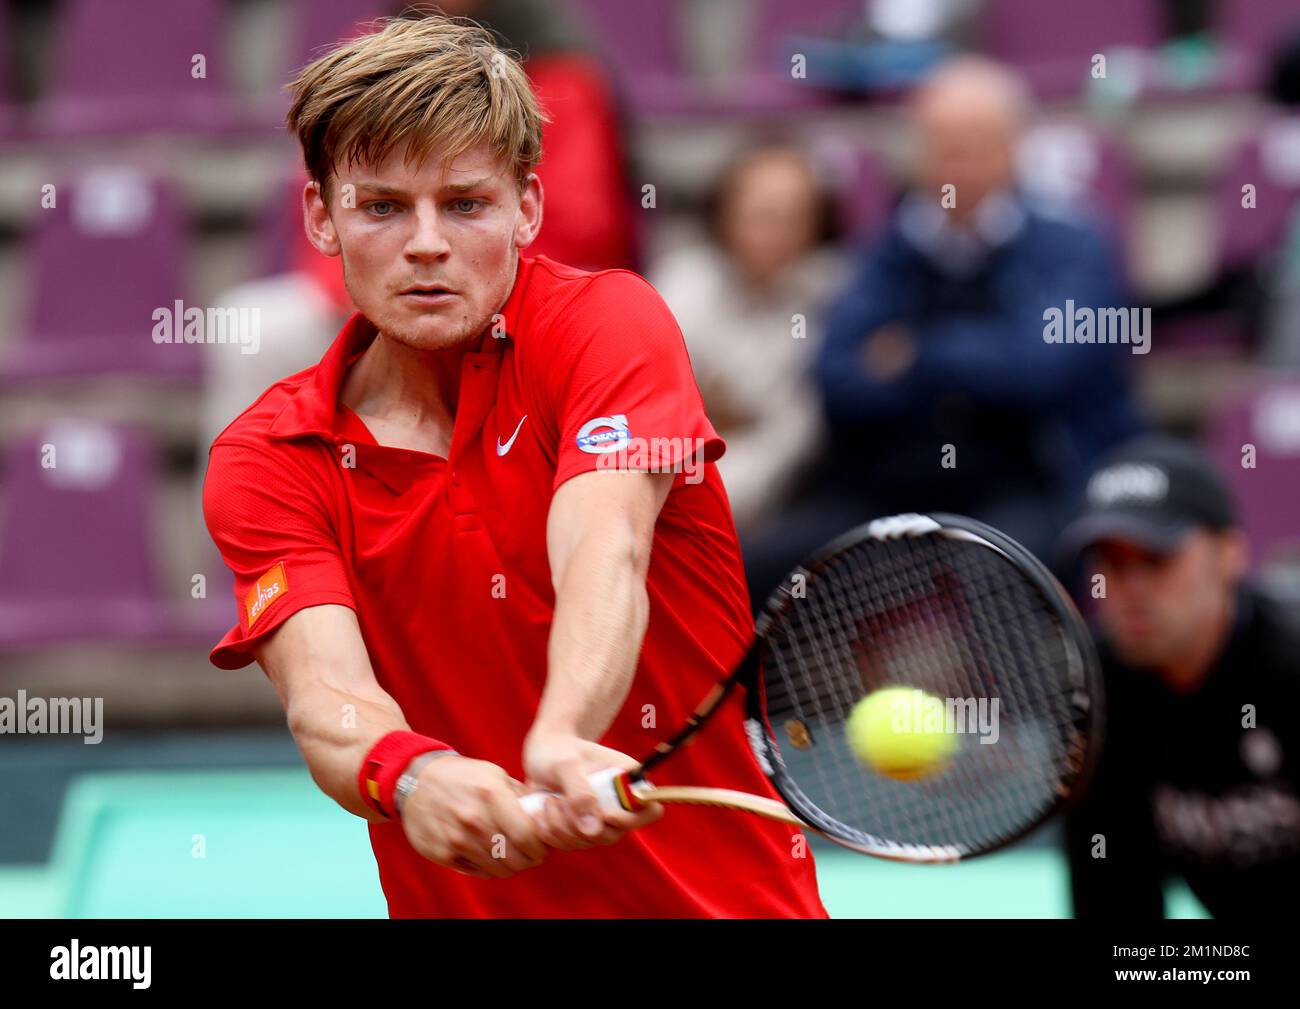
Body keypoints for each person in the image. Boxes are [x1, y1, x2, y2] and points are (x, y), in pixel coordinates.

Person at [201, 15, 825, 919]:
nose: (425, 243)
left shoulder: (606, 327)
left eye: (465, 203)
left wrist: (564, 733)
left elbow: (603, 547)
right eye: (382, 206)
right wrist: (411, 774)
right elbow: (325, 693)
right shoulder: (270, 457)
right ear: (321, 217)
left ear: (527, 209)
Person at [748, 57, 1141, 599]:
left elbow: (1040, 370)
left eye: (975, 143)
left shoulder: (1074, 246)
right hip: (888, 488)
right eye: (942, 144)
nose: (958, 163)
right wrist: (981, 362)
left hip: (1031, 486)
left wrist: (916, 355)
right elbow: (835, 378)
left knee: (997, 579)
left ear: (1013, 149)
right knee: (758, 565)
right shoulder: (888, 251)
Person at [1060, 436, 1300, 918]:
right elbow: (1114, 902)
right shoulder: (1097, 698)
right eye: (1112, 563)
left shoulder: (1290, 666)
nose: (1131, 589)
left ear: (1229, 554)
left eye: (1156, 559)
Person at [650, 142, 847, 537]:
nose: (773, 232)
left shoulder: (832, 298)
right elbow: (654, 405)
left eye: (792, 217)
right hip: (671, 488)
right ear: (724, 212)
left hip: (775, 506)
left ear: (816, 226)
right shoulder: (683, 281)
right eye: (760, 214)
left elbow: (793, 440)